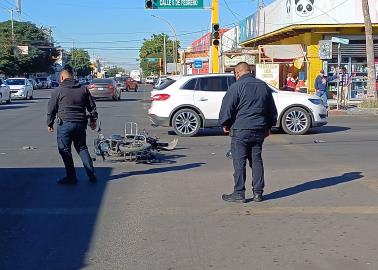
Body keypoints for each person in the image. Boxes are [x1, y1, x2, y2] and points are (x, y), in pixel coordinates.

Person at [219, 62, 278, 203]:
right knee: (256, 160)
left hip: (241, 129)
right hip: (259, 129)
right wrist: (269, 126)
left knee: (239, 162)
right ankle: (258, 193)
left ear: (238, 73)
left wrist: (225, 123)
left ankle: (239, 193)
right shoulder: (263, 86)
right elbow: (272, 110)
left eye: (236, 74)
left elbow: (227, 108)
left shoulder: (236, 87)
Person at [47, 66, 98, 184]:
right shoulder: (83, 89)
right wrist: (93, 120)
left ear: (62, 77)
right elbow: (92, 107)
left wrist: (49, 123)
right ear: (73, 76)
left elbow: (51, 109)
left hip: (65, 124)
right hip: (81, 124)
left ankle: (71, 177)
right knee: (82, 148)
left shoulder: (58, 91)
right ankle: (91, 174)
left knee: (65, 150)